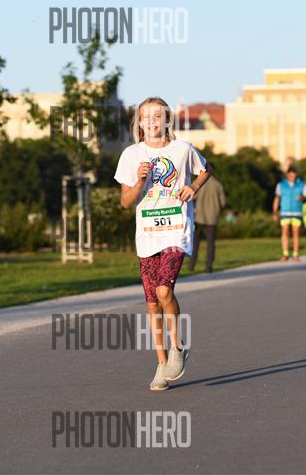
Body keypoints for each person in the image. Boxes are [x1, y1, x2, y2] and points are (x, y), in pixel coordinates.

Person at [114, 96, 212, 390]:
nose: (152, 122)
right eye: (146, 117)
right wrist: (139, 182)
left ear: (167, 120)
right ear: (139, 123)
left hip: (176, 231)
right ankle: (161, 364)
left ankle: (177, 347)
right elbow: (125, 202)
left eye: (158, 116)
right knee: (152, 303)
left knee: (164, 290)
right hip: (147, 234)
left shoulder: (182, 149)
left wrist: (193, 187)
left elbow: (206, 169)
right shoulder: (131, 155)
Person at [189, 168, 225, 273]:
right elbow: (223, 203)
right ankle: (209, 266)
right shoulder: (218, 185)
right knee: (210, 243)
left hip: (199, 217)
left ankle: (192, 264)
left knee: (195, 242)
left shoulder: (199, 184)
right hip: (212, 218)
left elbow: (192, 197)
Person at [272, 166, 306, 262]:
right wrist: (275, 211)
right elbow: (277, 198)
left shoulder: (301, 184)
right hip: (285, 211)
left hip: (297, 211)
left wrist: (302, 198)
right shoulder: (281, 185)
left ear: (296, 176)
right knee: (285, 232)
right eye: (290, 176)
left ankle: (296, 255)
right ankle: (285, 254)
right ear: (287, 175)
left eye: (294, 176)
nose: (292, 178)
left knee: (295, 233)